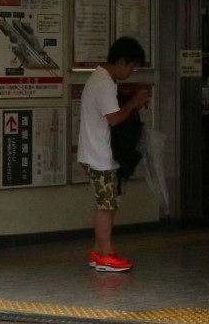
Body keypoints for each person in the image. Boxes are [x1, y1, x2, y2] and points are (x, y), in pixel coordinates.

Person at [77, 36, 151, 272]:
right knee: (106, 206)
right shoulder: (105, 83)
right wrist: (134, 102)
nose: (131, 72)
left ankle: (98, 251)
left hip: (95, 153)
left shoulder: (99, 78)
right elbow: (115, 119)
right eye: (132, 67)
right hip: (100, 156)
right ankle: (105, 255)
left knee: (107, 204)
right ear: (121, 62)